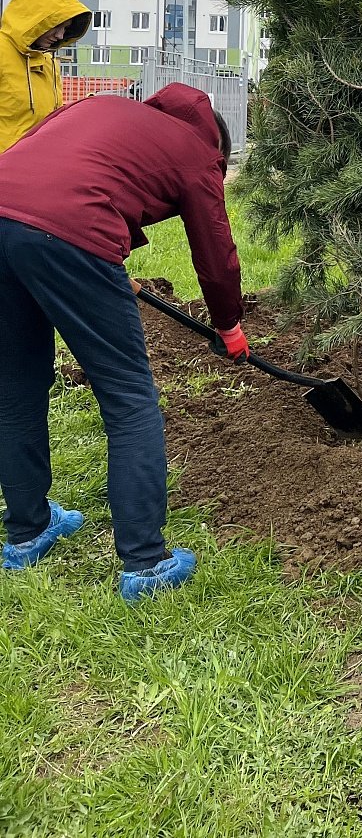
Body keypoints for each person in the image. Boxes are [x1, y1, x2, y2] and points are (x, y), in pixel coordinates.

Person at [0, 83, 247, 600]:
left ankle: (27, 534)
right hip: (68, 229)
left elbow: (59, 169)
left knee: (16, 388)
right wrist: (229, 325)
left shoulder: (103, 108)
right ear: (217, 148)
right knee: (129, 398)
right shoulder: (197, 151)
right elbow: (215, 252)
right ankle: (145, 562)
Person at [0, 0, 92, 152]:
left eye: (65, 28)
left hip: (35, 162)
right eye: (56, 25)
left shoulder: (47, 59)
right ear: (34, 19)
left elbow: (50, 114)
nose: (60, 35)